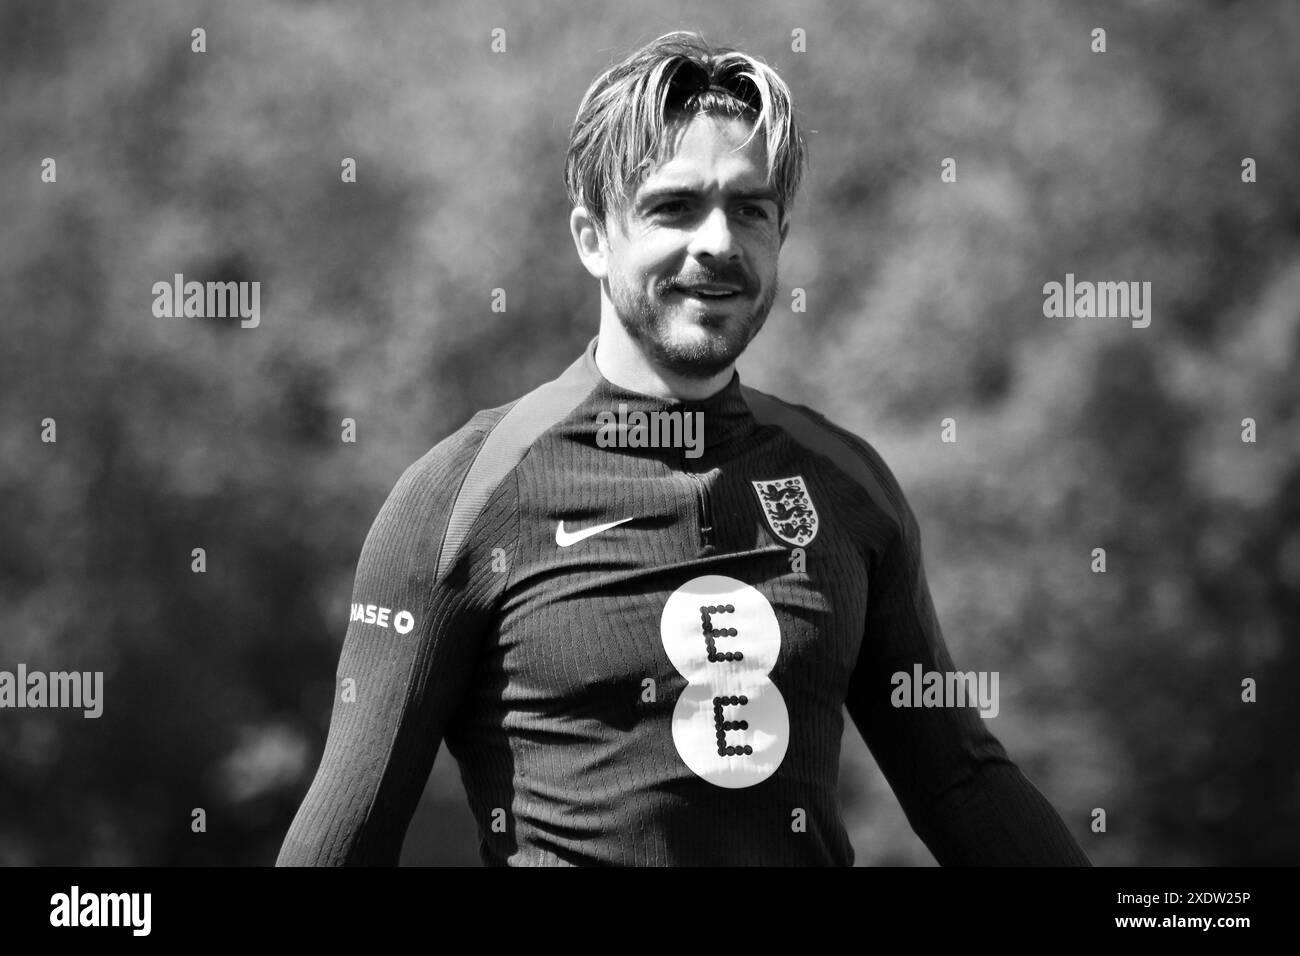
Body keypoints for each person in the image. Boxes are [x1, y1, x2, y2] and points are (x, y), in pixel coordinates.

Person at [276, 31, 1090, 866]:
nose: (718, 242)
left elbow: (963, 786)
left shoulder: (848, 485)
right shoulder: (463, 496)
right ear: (592, 237)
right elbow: (347, 836)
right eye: (674, 207)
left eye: (750, 209)